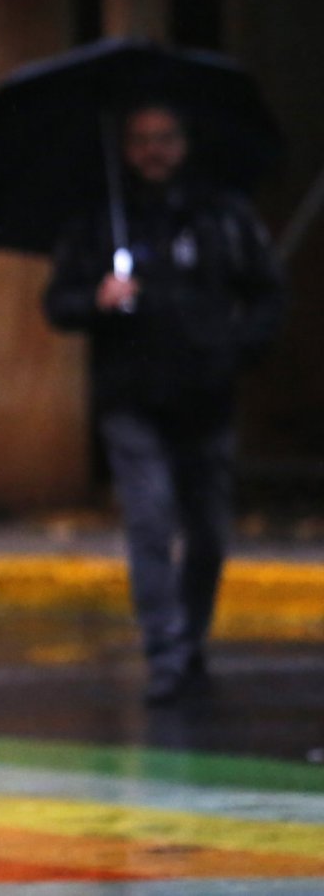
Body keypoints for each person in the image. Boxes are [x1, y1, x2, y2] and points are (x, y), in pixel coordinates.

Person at [44, 103, 285, 705]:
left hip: (207, 394)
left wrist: (237, 348)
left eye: (166, 138)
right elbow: (59, 303)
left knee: (207, 531)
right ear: (124, 148)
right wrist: (97, 298)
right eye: (141, 140)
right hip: (132, 396)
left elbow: (267, 294)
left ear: (185, 142)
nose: (155, 151)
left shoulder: (221, 214)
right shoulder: (102, 220)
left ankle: (191, 637)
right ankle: (167, 653)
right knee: (150, 519)